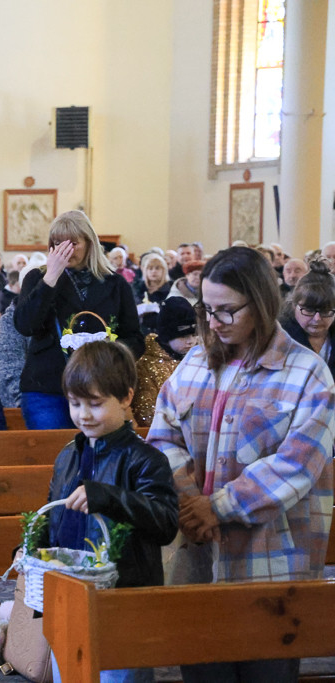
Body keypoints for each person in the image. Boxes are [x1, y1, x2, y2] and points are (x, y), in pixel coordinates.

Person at [147, 247, 334, 683]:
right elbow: (162, 435)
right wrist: (191, 502)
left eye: (227, 311)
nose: (213, 323)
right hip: (198, 556)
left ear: (263, 302)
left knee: (266, 672)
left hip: (271, 563)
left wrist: (220, 507)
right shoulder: (194, 363)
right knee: (203, 672)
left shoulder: (308, 374)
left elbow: (296, 467)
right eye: (206, 309)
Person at [45, 341, 178, 683]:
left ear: (126, 398)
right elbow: (52, 516)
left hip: (123, 602)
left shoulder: (145, 460)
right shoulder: (67, 456)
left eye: (95, 403)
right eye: (75, 404)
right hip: (69, 599)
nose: (84, 415)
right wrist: (33, 549)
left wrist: (110, 497)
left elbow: (165, 523)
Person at [14, 210, 143, 429]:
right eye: (57, 243)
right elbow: (26, 325)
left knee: (99, 458)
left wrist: (107, 350)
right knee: (53, 457)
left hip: (99, 388)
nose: (64, 250)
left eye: (73, 243)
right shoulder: (37, 278)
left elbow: (134, 339)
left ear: (89, 243)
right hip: (47, 388)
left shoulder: (115, 284)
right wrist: (51, 278)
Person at [132, 297, 197, 427]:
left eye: (194, 335)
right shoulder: (146, 366)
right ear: (167, 337)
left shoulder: (199, 359)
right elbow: (147, 414)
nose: (191, 341)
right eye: (184, 336)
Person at [280, 260, 335, 377]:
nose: (317, 319)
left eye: (325, 311)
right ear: (294, 305)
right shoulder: (279, 336)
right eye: (309, 310)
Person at [132, 252, 172, 334]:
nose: (153, 271)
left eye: (157, 268)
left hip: (163, 329)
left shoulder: (171, 288)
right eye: (150, 268)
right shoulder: (137, 287)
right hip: (140, 329)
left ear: (164, 270)